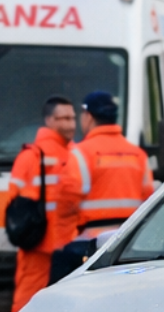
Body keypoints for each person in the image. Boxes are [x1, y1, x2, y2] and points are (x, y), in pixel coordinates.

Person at [51, 91, 154, 283]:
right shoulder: (138, 155)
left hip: (87, 247)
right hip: (126, 246)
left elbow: (66, 203)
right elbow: (149, 200)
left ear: (88, 116)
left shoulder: (80, 154)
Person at [6, 96, 87, 312]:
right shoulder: (77, 155)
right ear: (49, 120)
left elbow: (13, 200)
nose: (71, 124)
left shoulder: (31, 156)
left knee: (28, 303)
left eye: (72, 118)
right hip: (60, 244)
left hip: (42, 242)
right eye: (64, 118)